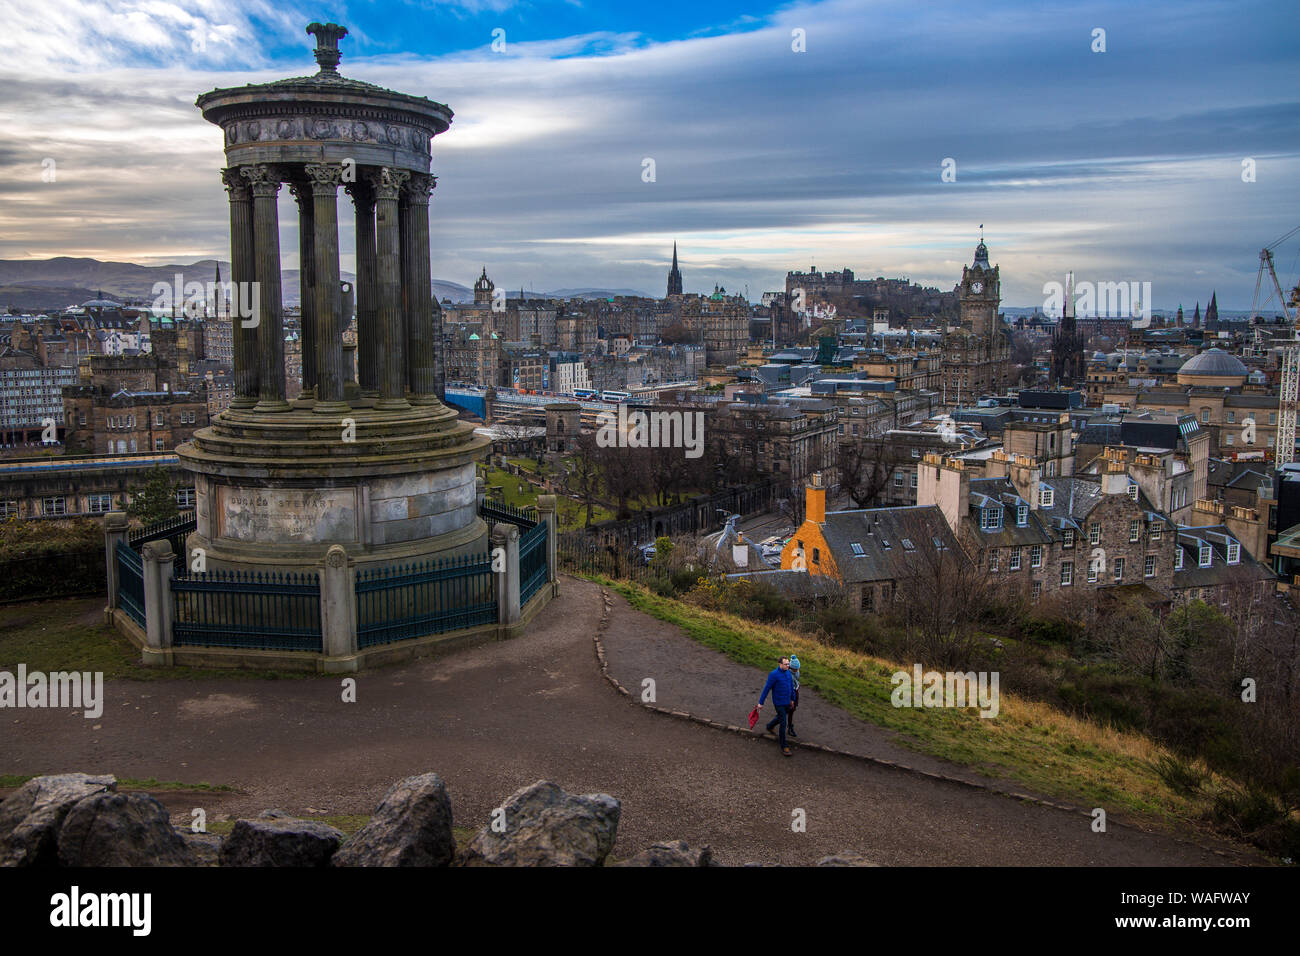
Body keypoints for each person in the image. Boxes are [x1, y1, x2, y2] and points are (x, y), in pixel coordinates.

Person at [758, 656, 794, 756]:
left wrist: (792, 699)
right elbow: (766, 689)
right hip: (778, 703)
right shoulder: (774, 675)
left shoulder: (788, 673)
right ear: (780, 664)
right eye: (786, 664)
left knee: (780, 717)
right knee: (783, 723)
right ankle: (784, 746)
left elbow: (791, 686)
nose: (788, 666)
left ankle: (769, 726)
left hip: (787, 702)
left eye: (788, 664)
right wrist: (761, 703)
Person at [787, 654, 801, 738]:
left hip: (796, 691)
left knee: (791, 711)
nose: (797, 670)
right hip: (791, 694)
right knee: (788, 711)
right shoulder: (789, 675)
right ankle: (789, 727)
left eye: (798, 668)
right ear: (791, 668)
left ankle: (789, 727)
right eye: (795, 669)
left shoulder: (797, 672)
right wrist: (791, 699)